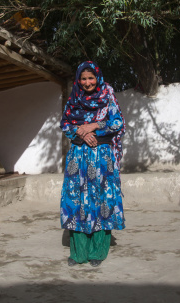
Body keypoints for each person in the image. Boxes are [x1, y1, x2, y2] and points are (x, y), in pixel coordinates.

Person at [60, 61, 126, 267]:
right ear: (78, 80)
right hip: (78, 157)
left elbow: (118, 122)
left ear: (97, 77)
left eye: (91, 78)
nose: (87, 82)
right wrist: (80, 130)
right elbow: (65, 123)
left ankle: (98, 251)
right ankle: (79, 253)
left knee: (101, 201)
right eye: (83, 78)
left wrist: (94, 125)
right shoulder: (74, 99)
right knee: (76, 200)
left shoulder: (107, 95)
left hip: (102, 157)